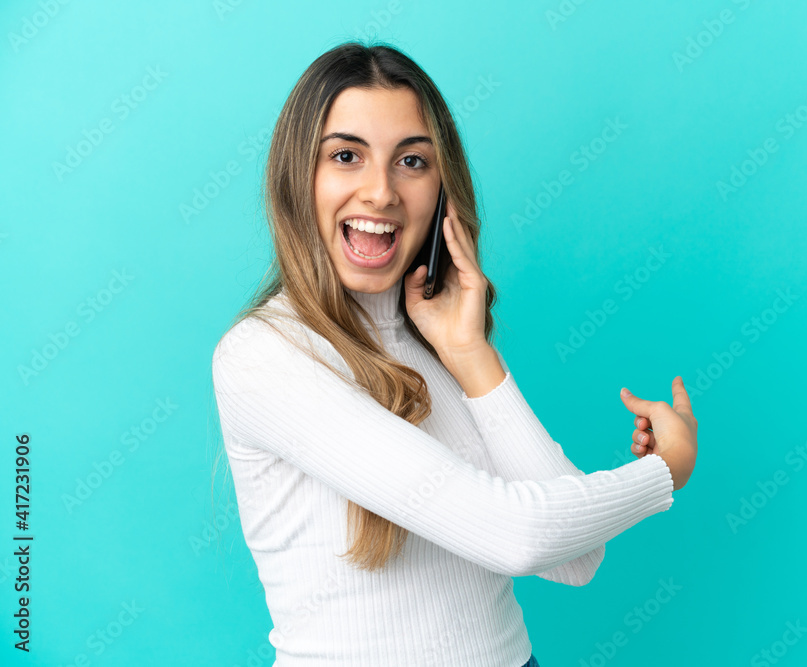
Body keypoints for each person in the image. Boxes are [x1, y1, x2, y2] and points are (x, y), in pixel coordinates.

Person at [210, 41, 698, 667]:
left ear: (441, 190)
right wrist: (666, 471)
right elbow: (519, 536)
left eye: (411, 161)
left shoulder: (437, 337)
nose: (380, 192)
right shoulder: (264, 356)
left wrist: (470, 353)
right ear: (296, 177)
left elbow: (575, 562)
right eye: (345, 156)